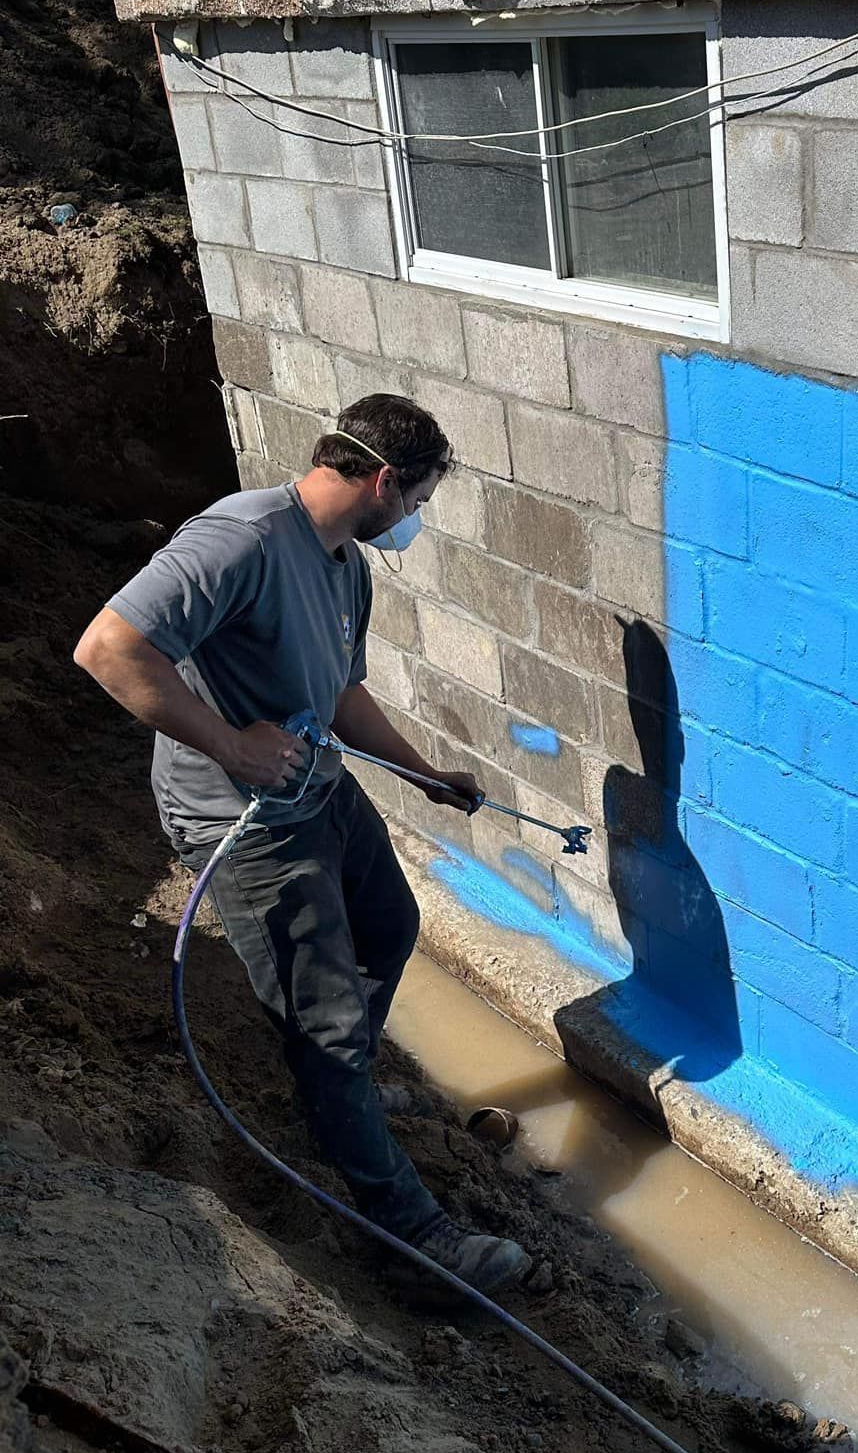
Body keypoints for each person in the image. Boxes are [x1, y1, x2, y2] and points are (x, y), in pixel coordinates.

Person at [75, 392, 540, 1297]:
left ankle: (343, 1100)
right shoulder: (242, 540)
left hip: (316, 788)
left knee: (389, 925)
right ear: (379, 479)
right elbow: (107, 647)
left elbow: (338, 696)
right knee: (321, 1025)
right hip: (237, 820)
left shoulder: (343, 566)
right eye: (415, 502)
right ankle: (412, 1245)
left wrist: (423, 771)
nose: (412, 521)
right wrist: (232, 743)